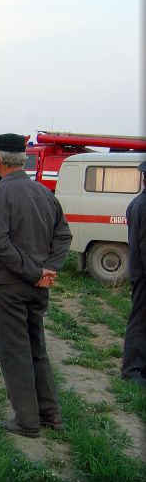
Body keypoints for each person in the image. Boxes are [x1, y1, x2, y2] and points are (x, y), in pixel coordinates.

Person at [0, 134, 72, 438]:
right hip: (38, 286)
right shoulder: (44, 193)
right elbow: (63, 236)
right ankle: (50, 414)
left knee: (14, 352)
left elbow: (0, 245)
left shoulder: (1, 195)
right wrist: (48, 269)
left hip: (10, 286)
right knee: (37, 348)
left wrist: (34, 272)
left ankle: (27, 422)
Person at [122, 161, 146, 385]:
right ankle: (132, 370)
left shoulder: (137, 202)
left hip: (139, 271)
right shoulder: (143, 205)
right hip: (143, 273)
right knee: (139, 320)